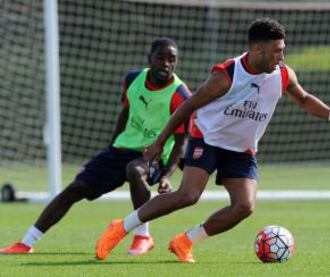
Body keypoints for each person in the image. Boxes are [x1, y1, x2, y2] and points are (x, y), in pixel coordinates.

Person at [95, 18, 330, 263]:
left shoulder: (283, 74)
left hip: (242, 149)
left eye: (282, 50)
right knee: (188, 195)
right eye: (276, 51)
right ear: (257, 49)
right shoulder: (227, 76)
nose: (281, 57)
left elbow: (305, 99)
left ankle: (185, 241)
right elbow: (187, 107)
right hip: (207, 139)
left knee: (244, 206)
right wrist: (161, 141)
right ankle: (121, 228)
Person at [0, 38, 192, 255]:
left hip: (155, 156)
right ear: (150, 58)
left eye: (172, 59)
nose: (166, 63)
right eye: (161, 57)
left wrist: (166, 176)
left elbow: (181, 141)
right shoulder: (132, 79)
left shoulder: (180, 95)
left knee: (135, 170)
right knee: (76, 188)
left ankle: (143, 236)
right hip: (121, 150)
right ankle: (26, 243)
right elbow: (126, 112)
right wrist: (110, 147)